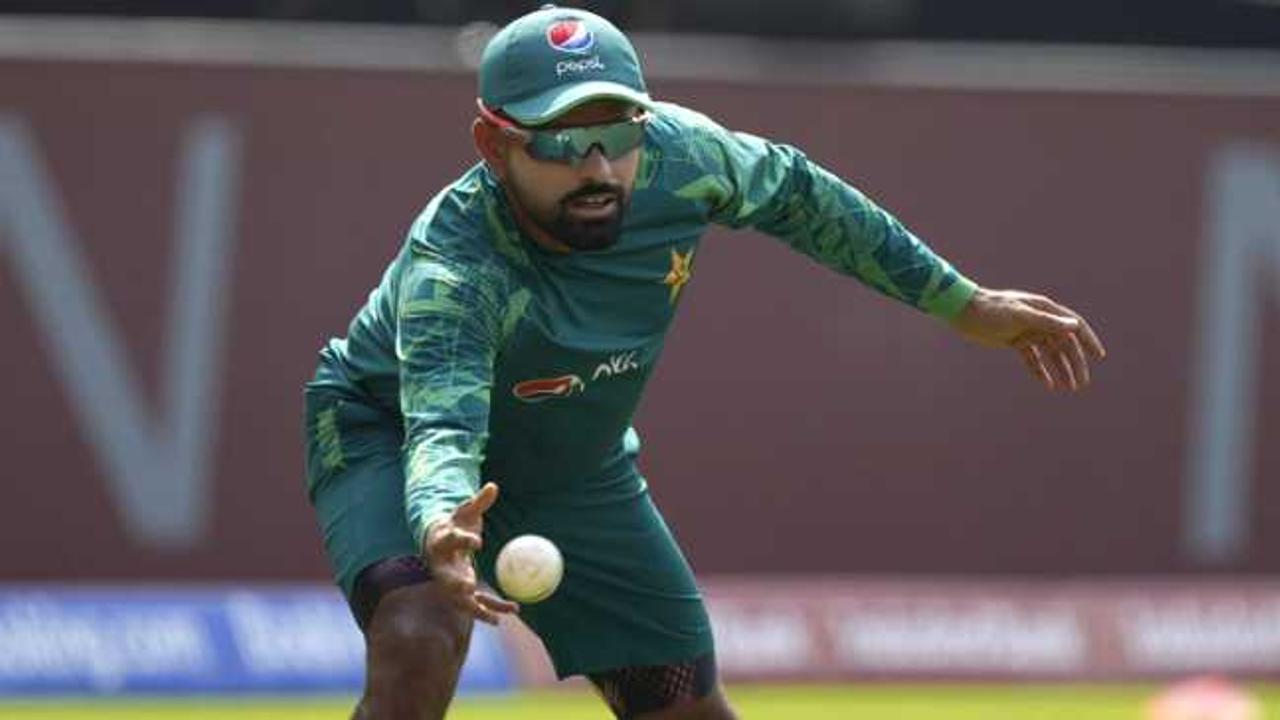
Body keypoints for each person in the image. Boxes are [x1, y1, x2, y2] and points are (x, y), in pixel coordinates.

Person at [302, 5, 1107, 719]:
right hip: (390, 433)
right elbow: (442, 420)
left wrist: (965, 303)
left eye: (618, 134)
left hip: (572, 466)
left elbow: (802, 196)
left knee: (683, 704)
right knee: (418, 633)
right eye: (562, 140)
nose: (597, 167)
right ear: (493, 143)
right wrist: (442, 519)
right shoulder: (458, 269)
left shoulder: (685, 162)